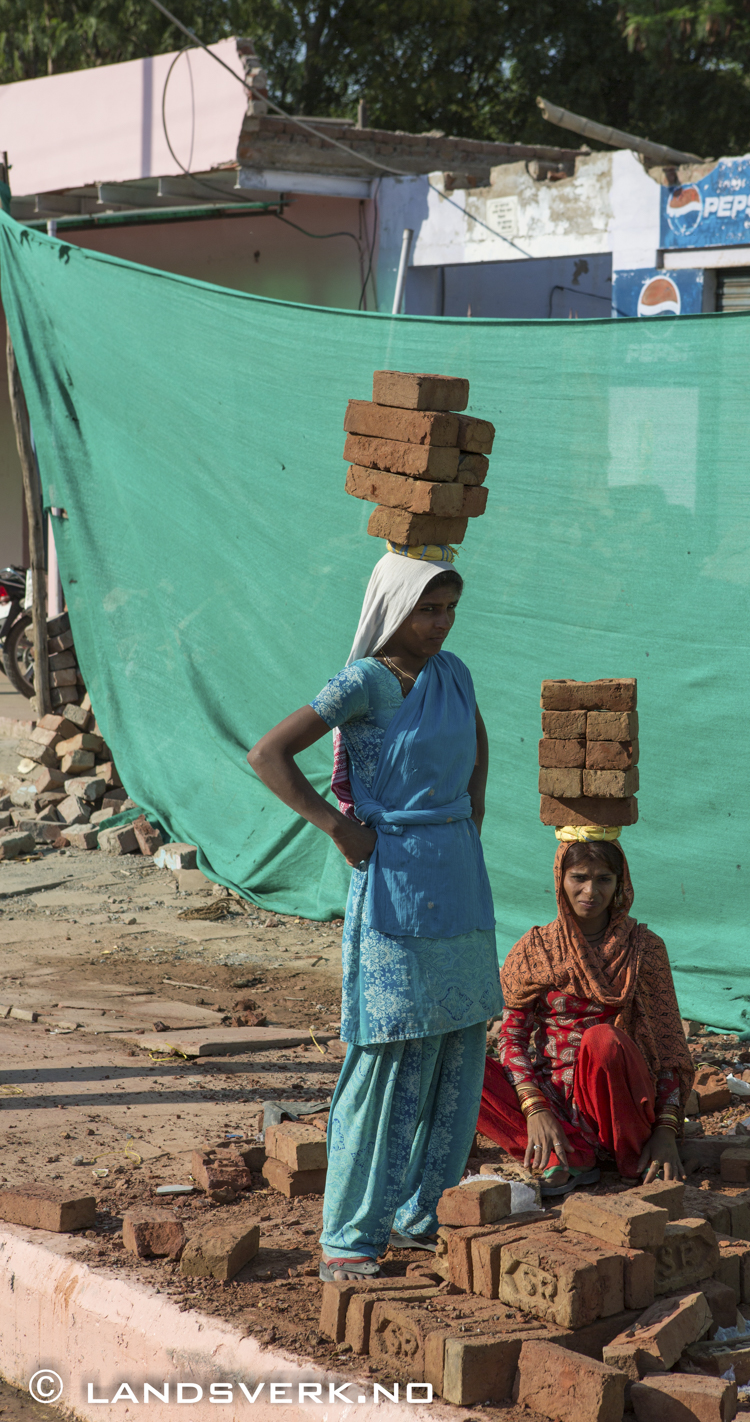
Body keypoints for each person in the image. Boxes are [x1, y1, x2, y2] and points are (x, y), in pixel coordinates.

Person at [247, 544, 502, 1281]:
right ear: (394, 608)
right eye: (428, 608)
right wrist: (338, 826)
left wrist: (468, 819)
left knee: (459, 1045)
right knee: (386, 1049)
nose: (442, 623)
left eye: (450, 608)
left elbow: (477, 742)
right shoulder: (364, 682)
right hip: (392, 880)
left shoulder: (454, 674)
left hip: (455, 873)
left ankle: (425, 1214)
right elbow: (269, 753)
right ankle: (350, 1235)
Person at [477, 835, 692, 1193]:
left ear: (620, 884)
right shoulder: (536, 949)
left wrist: (666, 1131)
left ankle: (624, 1153)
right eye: (579, 877)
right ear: (560, 880)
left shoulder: (644, 949)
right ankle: (561, 1153)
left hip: (621, 1108)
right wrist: (535, 1109)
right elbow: (512, 1036)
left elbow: (668, 1046)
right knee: (461, 1067)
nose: (590, 891)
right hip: (551, 1101)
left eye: (604, 879)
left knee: (602, 1039)